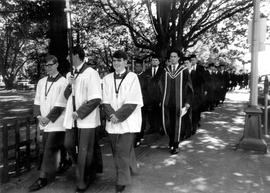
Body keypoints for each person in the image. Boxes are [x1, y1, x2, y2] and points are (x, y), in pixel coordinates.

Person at [102, 50, 143, 193]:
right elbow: (105, 100)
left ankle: (122, 180)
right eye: (114, 61)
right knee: (116, 149)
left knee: (122, 150)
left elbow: (133, 101)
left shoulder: (133, 78)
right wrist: (111, 115)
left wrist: (118, 116)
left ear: (126, 62)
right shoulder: (107, 78)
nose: (117, 63)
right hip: (112, 120)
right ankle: (132, 166)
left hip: (128, 120)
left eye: (120, 61)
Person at [63, 46, 103, 193]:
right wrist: (70, 85)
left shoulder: (91, 73)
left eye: (69, 56)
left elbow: (96, 98)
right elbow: (67, 96)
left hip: (87, 119)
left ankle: (82, 180)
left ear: (76, 56)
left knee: (85, 150)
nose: (67, 59)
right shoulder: (70, 74)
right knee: (68, 144)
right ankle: (86, 169)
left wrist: (79, 113)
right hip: (71, 119)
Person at [29, 55, 68, 192]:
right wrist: (39, 116)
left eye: (51, 65)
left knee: (48, 148)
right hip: (43, 122)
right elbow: (37, 101)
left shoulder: (63, 82)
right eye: (46, 65)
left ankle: (42, 178)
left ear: (57, 65)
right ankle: (62, 163)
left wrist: (48, 118)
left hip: (57, 122)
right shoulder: (41, 82)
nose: (48, 67)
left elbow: (61, 104)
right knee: (45, 147)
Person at [158, 48, 193, 154]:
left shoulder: (184, 70)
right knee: (169, 123)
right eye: (171, 57)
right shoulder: (165, 71)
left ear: (178, 58)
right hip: (167, 103)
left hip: (180, 103)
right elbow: (160, 86)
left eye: (175, 56)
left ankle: (176, 144)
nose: (173, 58)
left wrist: (187, 102)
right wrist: (161, 99)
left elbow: (189, 87)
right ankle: (171, 140)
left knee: (178, 124)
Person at [143, 54, 164, 134]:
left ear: (159, 62)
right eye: (153, 60)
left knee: (159, 112)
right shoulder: (147, 71)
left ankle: (160, 127)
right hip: (149, 96)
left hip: (159, 95)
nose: (154, 62)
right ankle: (152, 128)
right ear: (151, 62)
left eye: (156, 60)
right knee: (151, 113)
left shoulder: (163, 71)